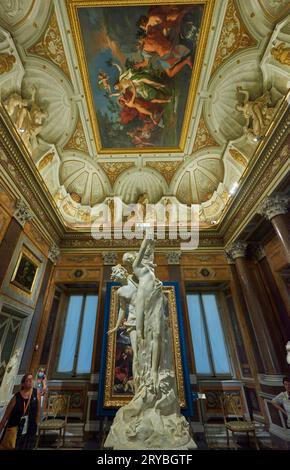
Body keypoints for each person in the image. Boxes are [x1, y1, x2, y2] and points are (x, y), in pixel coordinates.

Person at [0, 373, 40, 450]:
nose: (30, 381)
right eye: (28, 380)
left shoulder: (36, 393)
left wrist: (36, 423)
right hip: (15, 427)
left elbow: (38, 411)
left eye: (31, 379)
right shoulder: (16, 397)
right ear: (23, 384)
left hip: (30, 427)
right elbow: (5, 416)